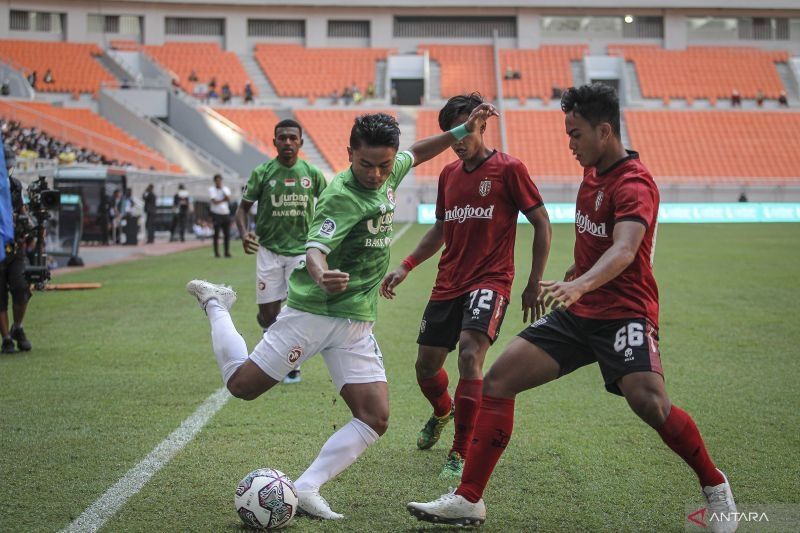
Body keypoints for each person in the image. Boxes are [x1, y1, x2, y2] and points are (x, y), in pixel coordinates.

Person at [407, 84, 738, 533]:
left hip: (624, 312)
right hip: (578, 311)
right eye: (568, 133)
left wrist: (578, 284)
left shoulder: (634, 182)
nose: (570, 144)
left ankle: (716, 488)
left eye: (576, 134)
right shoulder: (593, 174)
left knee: (650, 403)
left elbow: (624, 249)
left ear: (604, 131)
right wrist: (574, 278)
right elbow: (594, 245)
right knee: (499, 380)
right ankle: (468, 499)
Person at [186, 105, 498, 520]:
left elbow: (419, 151)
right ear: (350, 152)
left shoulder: (393, 169)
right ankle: (216, 303)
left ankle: (307, 486)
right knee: (242, 386)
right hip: (313, 313)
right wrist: (320, 273)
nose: (375, 174)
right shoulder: (340, 195)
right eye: (365, 164)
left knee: (374, 417)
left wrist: (461, 128)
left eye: (384, 165)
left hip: (356, 322)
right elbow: (315, 248)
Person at [380, 93, 551, 480]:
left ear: (482, 125)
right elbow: (441, 228)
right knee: (426, 368)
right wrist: (406, 265)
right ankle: (444, 412)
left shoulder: (509, 169)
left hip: (491, 280)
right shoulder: (448, 176)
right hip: (448, 282)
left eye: (464, 130)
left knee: (471, 355)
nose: (457, 141)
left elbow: (542, 222)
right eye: (450, 133)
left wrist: (533, 281)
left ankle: (459, 452)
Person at [234, 118, 326, 384]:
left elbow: (332, 204)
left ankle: (289, 362)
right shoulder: (262, 173)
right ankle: (273, 346)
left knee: (295, 310)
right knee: (267, 314)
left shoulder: (311, 173)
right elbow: (242, 210)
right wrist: (243, 234)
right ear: (274, 141)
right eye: (282, 138)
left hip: (301, 251)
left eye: (292, 138)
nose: (287, 142)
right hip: (269, 251)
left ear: (300, 142)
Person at [1, 147, 32, 353]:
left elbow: (23, 212)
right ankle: (6, 339)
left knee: (21, 288)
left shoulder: (14, 186)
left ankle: (17, 327)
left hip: (15, 248)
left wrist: (28, 223)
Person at [209, 174, 232, 258]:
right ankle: (216, 252)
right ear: (215, 181)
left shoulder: (225, 189)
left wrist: (222, 191)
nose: (219, 182)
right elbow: (214, 201)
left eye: (220, 180)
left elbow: (228, 199)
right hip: (216, 214)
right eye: (217, 180)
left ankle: (226, 252)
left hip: (225, 213)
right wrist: (223, 200)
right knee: (216, 234)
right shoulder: (212, 189)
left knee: (227, 234)